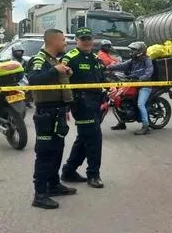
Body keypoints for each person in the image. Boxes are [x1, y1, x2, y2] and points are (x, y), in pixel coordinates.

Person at [27, 28, 76, 209]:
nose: (65, 43)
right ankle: (39, 195)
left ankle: (53, 185)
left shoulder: (55, 60)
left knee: (57, 149)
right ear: (54, 41)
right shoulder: (39, 60)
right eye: (63, 40)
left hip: (58, 110)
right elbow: (33, 80)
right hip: (46, 113)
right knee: (45, 153)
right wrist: (54, 70)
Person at [60, 27, 106, 189]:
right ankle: (93, 174)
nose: (86, 41)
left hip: (96, 103)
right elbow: (62, 80)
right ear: (77, 40)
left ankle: (69, 170)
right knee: (94, 138)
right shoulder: (70, 58)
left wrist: (111, 89)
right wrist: (67, 105)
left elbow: (103, 79)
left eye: (89, 38)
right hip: (81, 103)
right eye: (83, 38)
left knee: (85, 138)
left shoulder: (95, 59)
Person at [106, 41, 154, 135]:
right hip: (132, 84)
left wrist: (141, 79)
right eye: (131, 50)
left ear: (140, 51)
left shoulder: (147, 60)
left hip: (144, 86)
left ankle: (145, 126)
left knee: (140, 104)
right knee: (118, 100)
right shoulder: (133, 60)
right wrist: (108, 67)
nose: (131, 52)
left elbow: (149, 72)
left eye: (133, 50)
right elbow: (121, 66)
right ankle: (122, 123)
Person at [11, 43, 33, 108]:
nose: (19, 53)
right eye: (17, 51)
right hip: (14, 77)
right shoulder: (11, 61)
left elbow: (28, 69)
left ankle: (27, 101)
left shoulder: (24, 60)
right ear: (14, 52)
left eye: (20, 51)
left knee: (29, 86)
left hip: (23, 77)